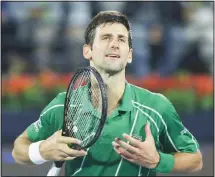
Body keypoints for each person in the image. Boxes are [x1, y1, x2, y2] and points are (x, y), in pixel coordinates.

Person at [12, 11, 203, 176]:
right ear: (88, 51)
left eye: (121, 39)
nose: (114, 44)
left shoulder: (157, 107)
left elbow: (195, 159)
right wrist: (42, 151)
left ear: (129, 55)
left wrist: (158, 160)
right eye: (106, 38)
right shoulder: (63, 105)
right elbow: (19, 149)